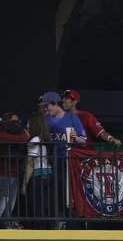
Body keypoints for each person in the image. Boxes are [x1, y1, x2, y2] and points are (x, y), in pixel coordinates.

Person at [42, 91, 86, 225]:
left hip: (68, 160)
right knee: (52, 191)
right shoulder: (45, 120)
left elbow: (83, 140)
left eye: (48, 106)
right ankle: (57, 219)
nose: (46, 109)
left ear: (55, 104)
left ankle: (70, 220)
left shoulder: (72, 118)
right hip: (50, 160)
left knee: (69, 191)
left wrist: (75, 137)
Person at [0, 113, 29, 229]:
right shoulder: (0, 130)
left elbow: (24, 137)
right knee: (1, 201)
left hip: (14, 172)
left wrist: (20, 136)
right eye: (13, 122)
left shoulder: (19, 133)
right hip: (0, 172)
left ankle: (6, 224)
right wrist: (19, 137)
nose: (17, 125)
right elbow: (2, 137)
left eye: (17, 122)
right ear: (6, 122)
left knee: (10, 202)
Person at [22, 111, 54, 229]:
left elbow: (31, 163)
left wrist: (25, 184)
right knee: (45, 207)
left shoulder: (34, 140)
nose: (27, 126)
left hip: (37, 177)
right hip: (48, 176)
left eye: (29, 124)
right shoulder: (44, 139)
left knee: (36, 207)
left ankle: (38, 231)